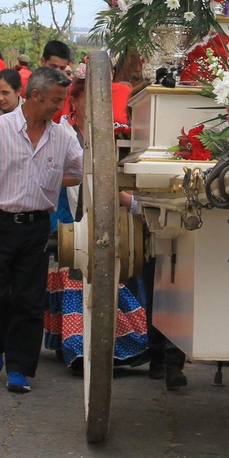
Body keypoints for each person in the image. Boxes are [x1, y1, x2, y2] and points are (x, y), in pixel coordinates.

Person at [0, 67, 82, 394]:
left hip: (36, 228)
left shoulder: (61, 137)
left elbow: (81, 171)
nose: (59, 107)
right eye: (56, 100)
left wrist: (50, 178)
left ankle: (19, 368)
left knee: (29, 300)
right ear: (35, 96)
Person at [43, 78, 149, 375]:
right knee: (73, 271)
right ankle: (76, 346)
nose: (93, 107)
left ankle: (98, 344)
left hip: (99, 218)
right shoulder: (61, 133)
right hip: (66, 217)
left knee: (100, 278)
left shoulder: (108, 136)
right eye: (87, 100)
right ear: (73, 102)